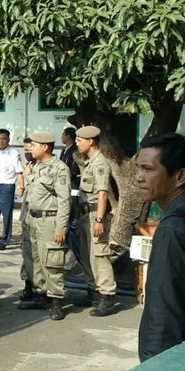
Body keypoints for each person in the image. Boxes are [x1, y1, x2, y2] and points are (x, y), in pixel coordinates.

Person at [137, 133, 185, 362]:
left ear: (180, 176)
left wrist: (155, 363)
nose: (139, 177)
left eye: (148, 169)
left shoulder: (172, 229)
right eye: (138, 168)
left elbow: (164, 308)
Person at [17, 131, 71, 320]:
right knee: (34, 260)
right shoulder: (37, 166)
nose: (30, 148)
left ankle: (56, 300)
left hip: (50, 220)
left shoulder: (59, 168)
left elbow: (64, 200)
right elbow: (29, 196)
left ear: (45, 146)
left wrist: (60, 228)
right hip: (32, 220)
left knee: (52, 260)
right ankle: (41, 295)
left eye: (34, 144)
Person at [75, 125, 117, 316]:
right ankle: (93, 291)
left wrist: (99, 219)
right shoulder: (89, 162)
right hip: (86, 214)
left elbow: (102, 194)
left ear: (90, 141)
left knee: (100, 256)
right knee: (87, 255)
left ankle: (106, 296)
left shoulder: (99, 163)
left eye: (79, 140)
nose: (77, 143)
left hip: (95, 215)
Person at [0, 129, 25, 249]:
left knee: (6, 215)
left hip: (7, 186)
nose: (1, 141)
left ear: (8, 139)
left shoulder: (13, 153)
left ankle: (5, 239)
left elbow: (19, 171)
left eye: (3, 139)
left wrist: (21, 186)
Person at [60, 126, 83, 266]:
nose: (62, 136)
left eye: (63, 134)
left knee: (74, 219)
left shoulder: (74, 151)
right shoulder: (64, 150)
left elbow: (73, 170)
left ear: (68, 136)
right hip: (65, 189)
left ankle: (75, 250)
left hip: (74, 189)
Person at [18, 137, 36, 302]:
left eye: (29, 149)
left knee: (38, 257)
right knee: (26, 254)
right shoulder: (29, 166)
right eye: (25, 150)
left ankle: (39, 290)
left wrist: (28, 174)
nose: (27, 152)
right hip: (27, 217)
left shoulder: (44, 168)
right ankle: (28, 285)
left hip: (40, 220)